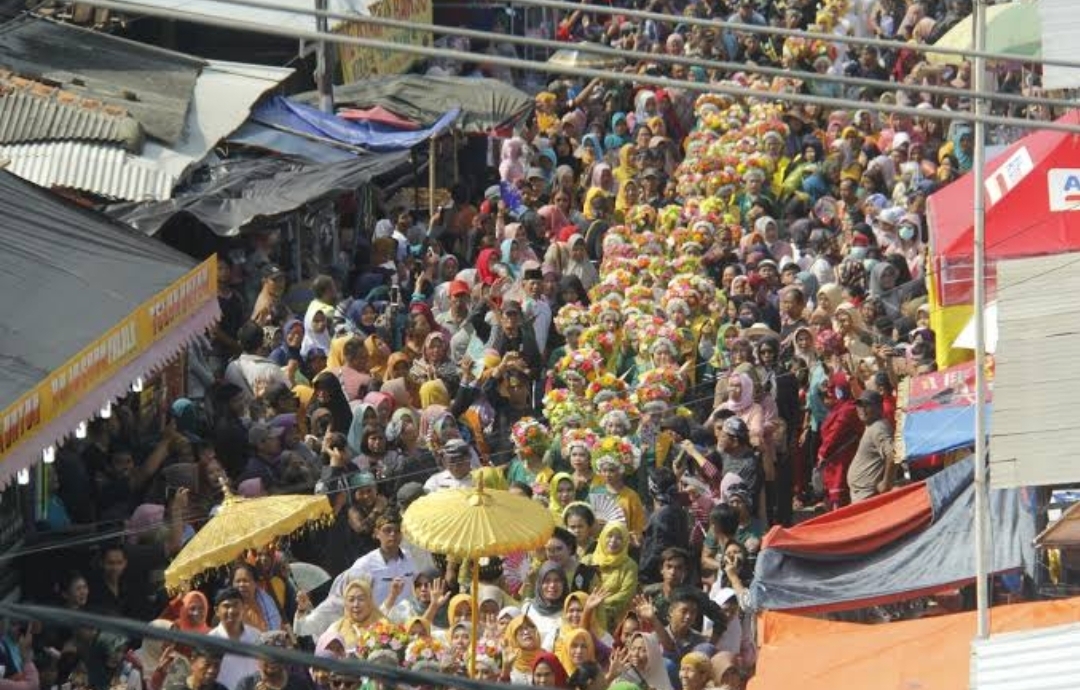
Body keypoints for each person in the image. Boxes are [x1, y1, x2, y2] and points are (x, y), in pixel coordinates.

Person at [847, 390, 896, 502]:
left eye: (867, 405)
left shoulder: (878, 427)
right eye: (859, 405)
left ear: (879, 408)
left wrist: (886, 483)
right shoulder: (872, 425)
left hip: (867, 497)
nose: (862, 409)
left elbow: (893, 454)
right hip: (862, 494)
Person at [207, 588, 260, 690]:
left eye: (236, 605)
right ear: (217, 611)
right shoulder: (211, 640)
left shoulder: (256, 636)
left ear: (244, 608)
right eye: (226, 606)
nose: (231, 610)